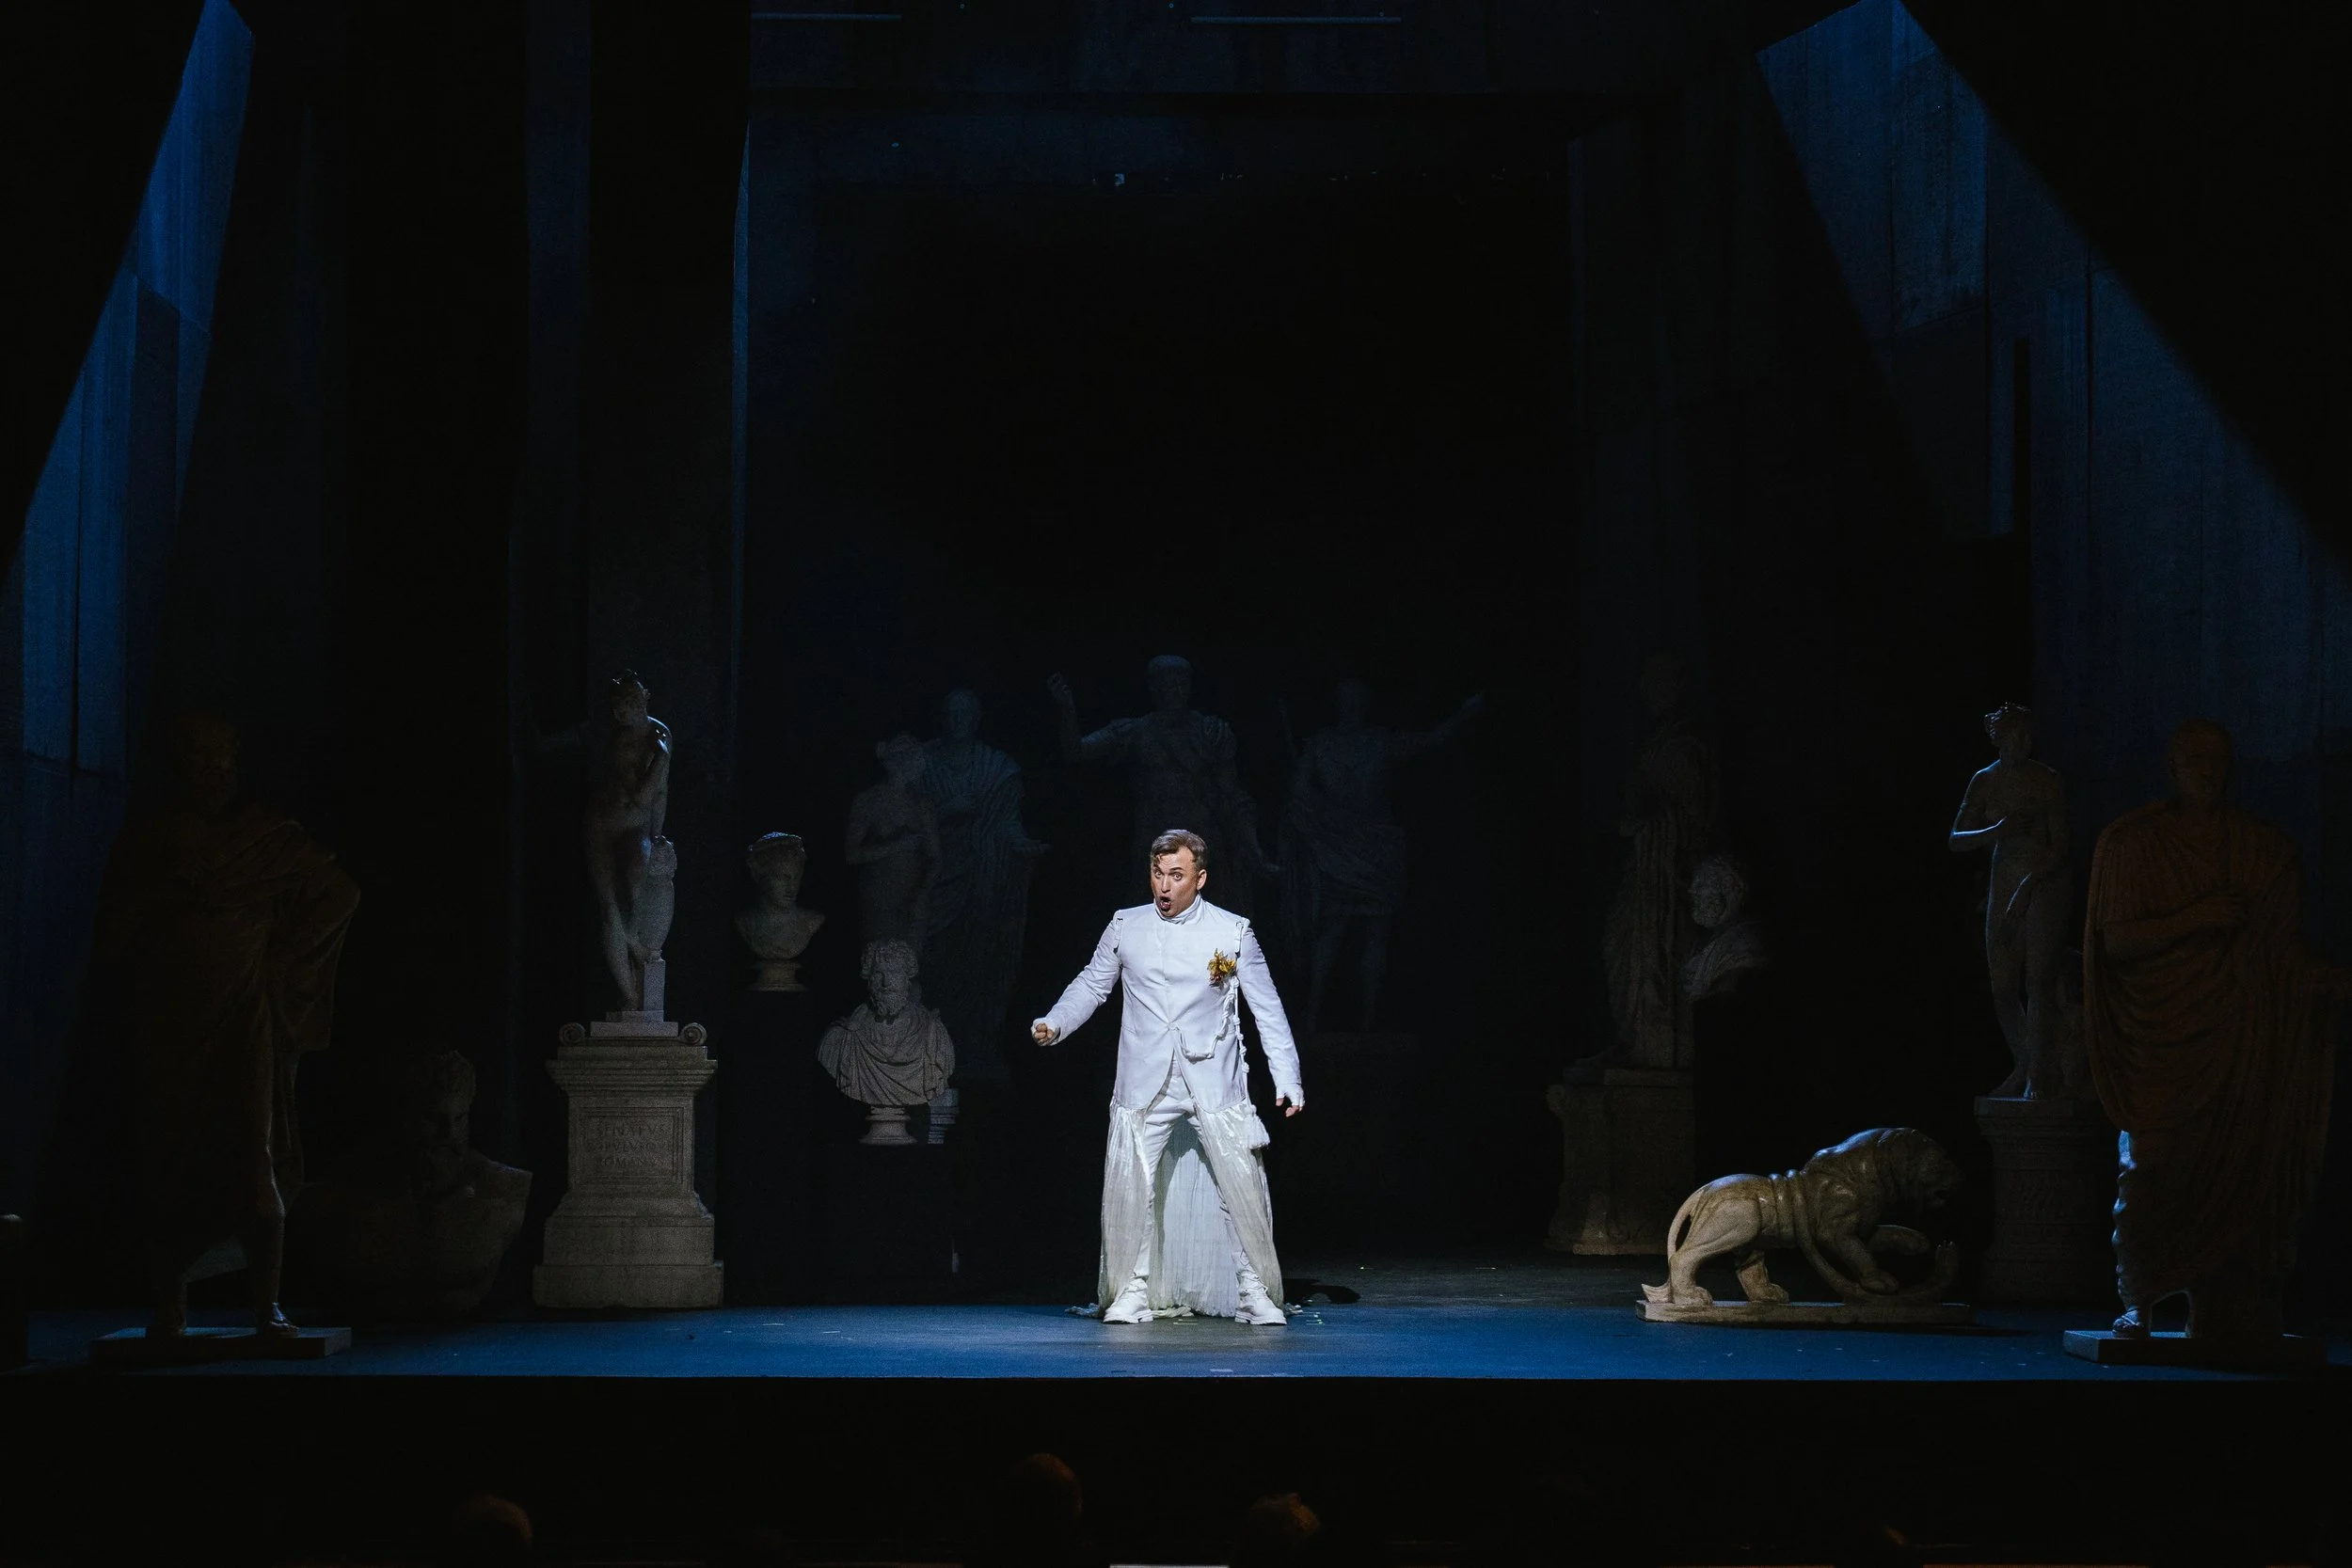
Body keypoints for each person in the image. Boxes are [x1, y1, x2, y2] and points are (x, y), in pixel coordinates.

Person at [95, 712, 359, 1340]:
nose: (213, 764)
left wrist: (284, 963)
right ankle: (171, 1306)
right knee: (172, 1158)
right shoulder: (151, 841)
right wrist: (166, 889)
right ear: (179, 760)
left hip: (246, 1022)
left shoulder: (266, 838)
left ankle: (265, 1303)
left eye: (222, 751)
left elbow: (339, 892)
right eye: (199, 752)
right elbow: (109, 937)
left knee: (255, 1150)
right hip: (171, 1027)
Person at [2085, 719, 2349, 1340]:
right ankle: (2138, 1299)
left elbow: (2278, 957)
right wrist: (2196, 917)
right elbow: (2118, 940)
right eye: (2194, 758)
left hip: (2236, 1037)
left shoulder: (2261, 851)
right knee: (2150, 1168)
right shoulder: (2134, 844)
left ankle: (2222, 1305)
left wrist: (2324, 983)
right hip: (2159, 1036)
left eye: (2218, 759)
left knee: (2233, 1173)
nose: (2207, 769)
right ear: (2173, 767)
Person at [1033, 829, 1304, 1324]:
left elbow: (1268, 1009)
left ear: (1199, 879)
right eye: (1157, 874)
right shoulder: (1125, 926)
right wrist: (1055, 1021)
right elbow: (1093, 985)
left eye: (1176, 876)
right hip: (1146, 1078)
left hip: (1212, 1077)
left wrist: (1288, 1076)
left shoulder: (1233, 931)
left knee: (1235, 1184)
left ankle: (1253, 1290)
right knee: (1135, 1184)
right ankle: (1132, 1289)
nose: (1164, 885)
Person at [1049, 657, 1274, 913]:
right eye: (1168, 683)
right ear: (1154, 687)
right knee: (1149, 919)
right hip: (1153, 838)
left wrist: (1253, 847)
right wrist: (1066, 709)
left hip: (1203, 837)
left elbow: (1231, 795)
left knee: (1209, 919)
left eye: (1181, 682)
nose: (1175, 689)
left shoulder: (1209, 732)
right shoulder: (1136, 732)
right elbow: (1077, 751)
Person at [1948, 703, 2074, 1097]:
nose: (2022, 744)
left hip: (2042, 882)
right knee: (2002, 985)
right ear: (1999, 739)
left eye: (2027, 736)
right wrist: (1997, 830)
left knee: (2038, 980)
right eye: (2014, 736)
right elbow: (1956, 840)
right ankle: (2027, 1060)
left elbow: (2061, 846)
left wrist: (2029, 885)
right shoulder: (1985, 782)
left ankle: (2038, 1074)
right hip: (2003, 877)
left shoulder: (2047, 780)